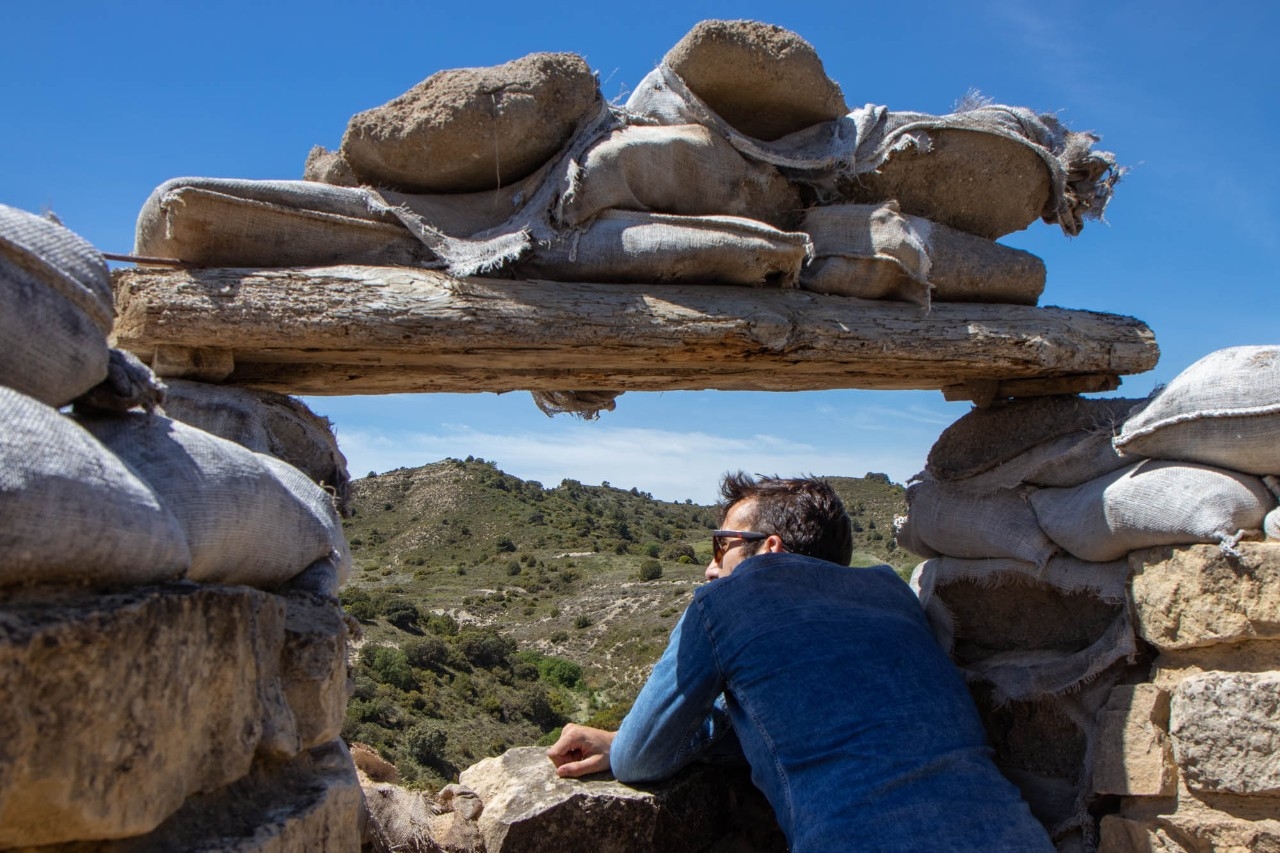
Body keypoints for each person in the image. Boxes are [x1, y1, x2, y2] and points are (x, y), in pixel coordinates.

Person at [546, 472, 1052, 852]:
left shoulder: (723, 602)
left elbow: (640, 759)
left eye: (721, 545)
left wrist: (620, 742)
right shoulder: (891, 592)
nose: (710, 564)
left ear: (768, 549)